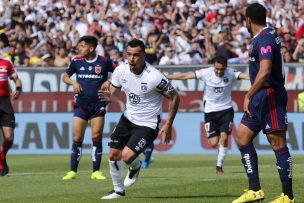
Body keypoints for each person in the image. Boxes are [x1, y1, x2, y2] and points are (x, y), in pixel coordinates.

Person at [99, 38, 180, 199]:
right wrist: (109, 97)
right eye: (128, 54)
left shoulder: (154, 77)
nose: (131, 59)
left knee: (127, 156)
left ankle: (135, 167)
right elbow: (114, 94)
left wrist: (169, 123)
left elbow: (174, 97)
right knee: (113, 155)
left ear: (143, 55)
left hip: (148, 124)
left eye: (136, 55)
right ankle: (119, 192)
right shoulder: (120, 70)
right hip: (128, 117)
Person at [232, 3, 294, 203]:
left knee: (278, 144)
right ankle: (255, 190)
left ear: (248, 19)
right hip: (260, 96)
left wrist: (248, 94)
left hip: (270, 95)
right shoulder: (263, 37)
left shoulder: (266, 38)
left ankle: (287, 196)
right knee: (242, 138)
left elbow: (265, 70)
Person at [166, 55, 249, 175]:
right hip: (210, 111)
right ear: (213, 66)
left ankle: (219, 166)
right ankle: (220, 151)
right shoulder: (206, 73)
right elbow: (186, 76)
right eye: (217, 69)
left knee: (225, 137)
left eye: (222, 69)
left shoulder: (231, 73)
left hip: (226, 109)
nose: (219, 72)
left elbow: (246, 76)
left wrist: (260, 77)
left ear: (226, 67)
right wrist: (168, 77)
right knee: (213, 143)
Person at [62, 35, 116, 180]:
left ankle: (96, 172)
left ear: (91, 48)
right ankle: (72, 171)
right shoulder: (76, 61)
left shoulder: (104, 61)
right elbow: (65, 76)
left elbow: (120, 71)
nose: (79, 48)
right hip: (81, 105)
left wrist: (110, 80)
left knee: (96, 137)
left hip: (98, 105)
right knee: (77, 137)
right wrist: (73, 83)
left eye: (82, 46)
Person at [0, 55, 22, 176]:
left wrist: (18, 89)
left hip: (4, 103)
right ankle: (1, 164)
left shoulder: (6, 62)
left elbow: (16, 79)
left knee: (9, 138)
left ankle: (2, 157)